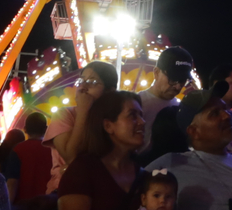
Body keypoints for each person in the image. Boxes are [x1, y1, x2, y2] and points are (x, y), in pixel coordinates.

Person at [153, 98, 232, 209]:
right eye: (214, 113)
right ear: (194, 131)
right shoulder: (169, 165)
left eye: (225, 109)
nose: (227, 115)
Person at [55, 91, 147, 210]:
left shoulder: (143, 172)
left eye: (141, 115)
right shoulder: (81, 171)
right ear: (108, 126)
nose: (142, 122)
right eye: (132, 115)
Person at [46, 60, 119, 192]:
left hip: (103, 190)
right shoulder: (64, 114)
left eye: (92, 82)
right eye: (81, 80)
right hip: (65, 190)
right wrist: (83, 111)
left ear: (110, 91)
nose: (83, 86)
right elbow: (71, 157)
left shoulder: (114, 121)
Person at [142, 48, 197, 139]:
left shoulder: (181, 109)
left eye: (182, 81)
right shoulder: (138, 105)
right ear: (156, 73)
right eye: (172, 79)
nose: (178, 87)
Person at [11, 111, 53, 205]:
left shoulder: (17, 150)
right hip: (48, 204)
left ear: (25, 129)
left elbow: (12, 182)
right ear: (46, 129)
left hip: (22, 204)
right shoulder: (54, 150)